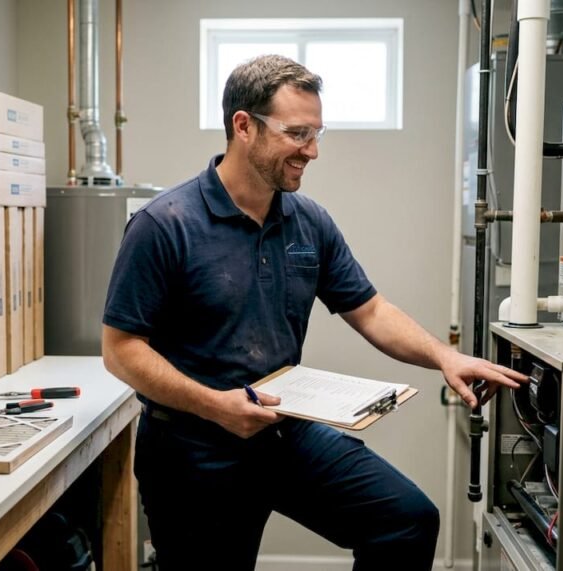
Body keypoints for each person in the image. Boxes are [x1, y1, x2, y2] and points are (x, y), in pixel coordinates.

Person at [102, 54, 526, 571]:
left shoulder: (307, 220)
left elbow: (369, 310)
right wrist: (216, 405)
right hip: (193, 447)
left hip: (283, 431)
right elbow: (121, 351)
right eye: (298, 133)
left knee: (406, 519)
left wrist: (444, 356)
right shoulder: (164, 224)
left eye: (318, 133)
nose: (313, 151)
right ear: (244, 127)